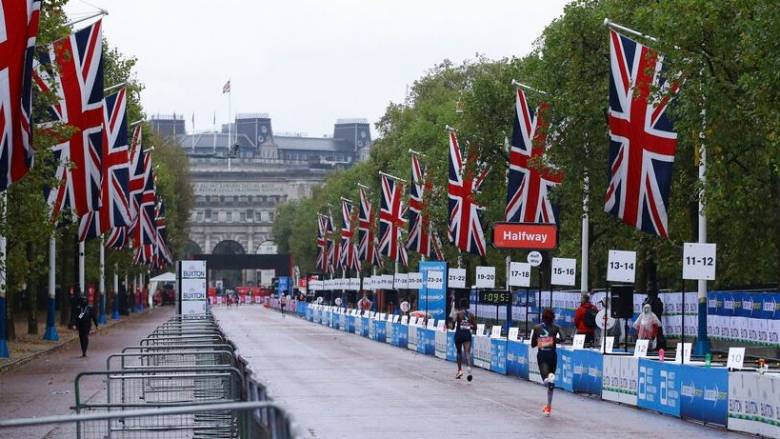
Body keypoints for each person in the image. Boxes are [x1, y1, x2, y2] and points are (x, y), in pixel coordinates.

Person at [531, 308, 561, 417]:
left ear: (542, 317)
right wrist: (552, 340)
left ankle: (549, 381)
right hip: (553, 355)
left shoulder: (537, 328)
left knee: (545, 380)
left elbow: (533, 344)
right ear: (553, 318)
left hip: (543, 355)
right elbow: (563, 339)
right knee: (550, 384)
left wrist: (544, 341)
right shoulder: (556, 327)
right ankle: (548, 407)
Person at [449, 298, 475, 381]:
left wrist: (451, 324)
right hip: (467, 335)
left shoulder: (457, 314)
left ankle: (459, 371)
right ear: (467, 306)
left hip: (459, 335)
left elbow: (452, 327)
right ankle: (469, 369)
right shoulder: (471, 315)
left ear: (460, 305)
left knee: (459, 352)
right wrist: (468, 325)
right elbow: (475, 327)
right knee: (467, 352)